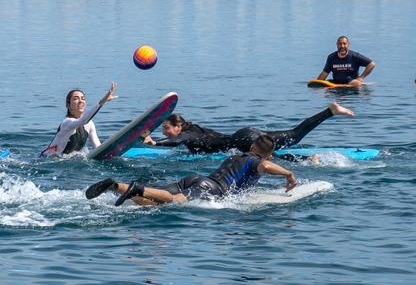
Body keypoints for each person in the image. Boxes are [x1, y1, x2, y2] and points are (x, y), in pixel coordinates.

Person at [86, 135, 296, 206]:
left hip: (196, 179)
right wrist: (288, 173)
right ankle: (137, 188)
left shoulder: (237, 156)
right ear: (266, 154)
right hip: (212, 189)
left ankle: (116, 186)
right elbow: (265, 166)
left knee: (155, 204)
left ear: (251, 147)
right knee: (175, 201)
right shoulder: (255, 161)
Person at [142, 102, 355, 154]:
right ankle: (330, 111)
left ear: (178, 125)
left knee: (265, 157)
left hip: (244, 140)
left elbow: (177, 141)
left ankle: (308, 160)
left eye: (167, 129)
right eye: (163, 131)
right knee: (294, 135)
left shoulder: (187, 134)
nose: (165, 132)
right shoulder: (195, 128)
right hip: (246, 133)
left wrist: (155, 143)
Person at [42, 82, 117, 157]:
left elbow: (98, 148)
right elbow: (83, 121)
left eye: (83, 98)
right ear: (68, 105)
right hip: (46, 159)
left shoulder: (90, 124)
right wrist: (103, 101)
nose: (81, 101)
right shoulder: (66, 123)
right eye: (75, 99)